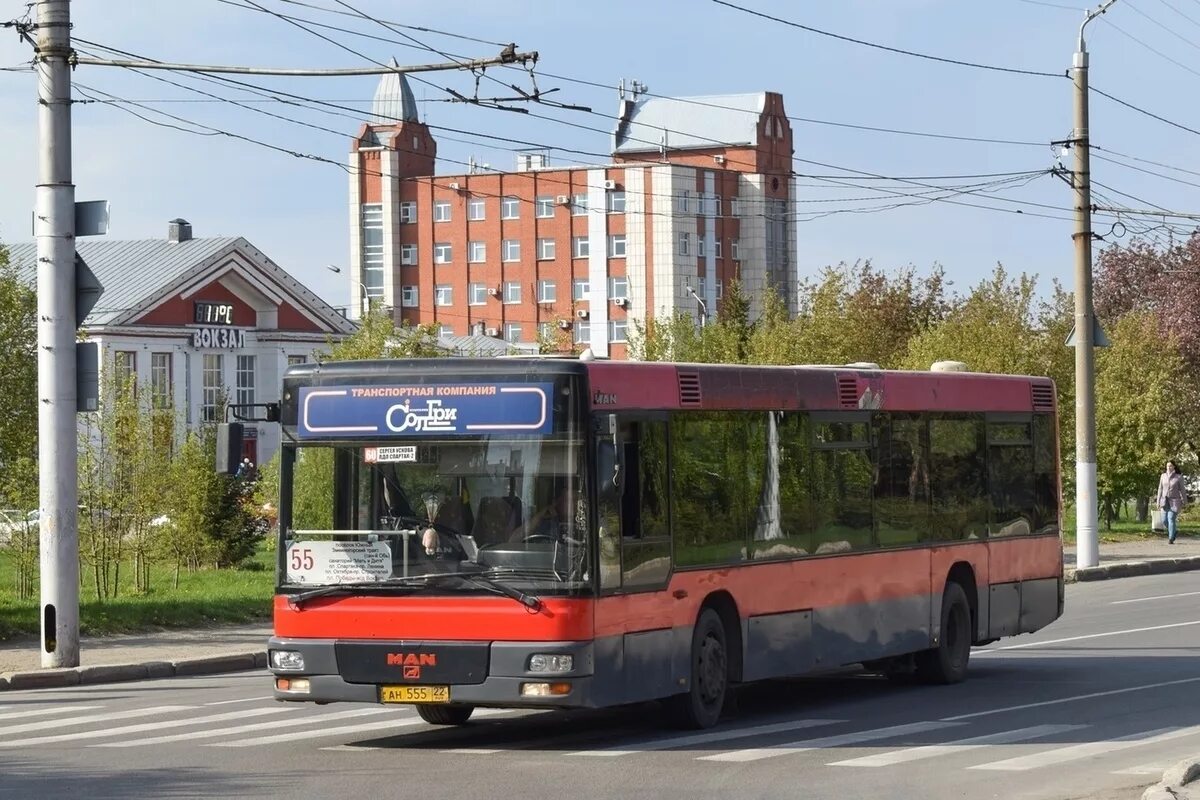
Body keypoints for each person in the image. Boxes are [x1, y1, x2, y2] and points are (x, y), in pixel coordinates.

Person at [1156, 460, 1188, 544]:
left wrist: (1185, 501)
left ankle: (1170, 538)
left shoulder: (1178, 477)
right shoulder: (1163, 476)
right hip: (1164, 501)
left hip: (1174, 502)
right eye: (1167, 466)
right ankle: (1173, 531)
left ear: (1174, 467)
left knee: (1171, 519)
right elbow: (1160, 489)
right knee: (1164, 520)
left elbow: (1182, 490)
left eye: (1170, 466)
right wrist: (1158, 501)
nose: (1169, 467)